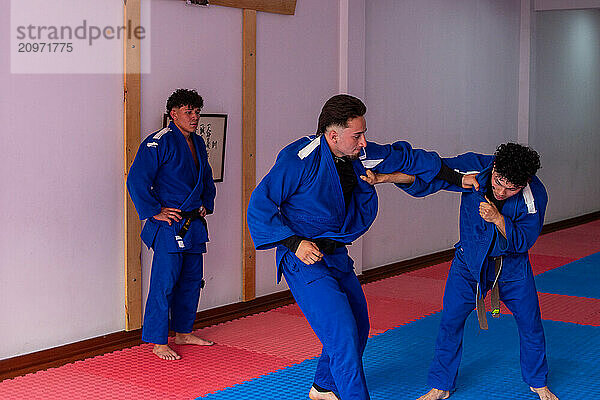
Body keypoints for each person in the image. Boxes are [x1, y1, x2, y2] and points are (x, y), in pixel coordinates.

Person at [247, 94, 472, 400]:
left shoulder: (360, 154)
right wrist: (293, 242)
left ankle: (323, 387)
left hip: (336, 254)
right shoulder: (298, 159)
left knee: (359, 326)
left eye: (364, 133)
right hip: (303, 258)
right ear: (333, 135)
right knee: (342, 336)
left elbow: (409, 159)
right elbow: (260, 204)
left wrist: (456, 178)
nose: (364, 141)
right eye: (357, 135)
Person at [361, 143, 558, 400]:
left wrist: (498, 218)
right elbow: (433, 172)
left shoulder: (535, 194)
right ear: (495, 167)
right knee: (450, 321)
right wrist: (384, 178)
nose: (501, 191)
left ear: (525, 182)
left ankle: (538, 381)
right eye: (498, 182)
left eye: (511, 189)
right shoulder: (479, 168)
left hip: (512, 268)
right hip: (468, 262)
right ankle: (441, 385)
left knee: (530, 324)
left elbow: (522, 241)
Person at [127, 89, 216, 360]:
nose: (194, 117)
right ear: (173, 114)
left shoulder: (198, 143)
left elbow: (206, 178)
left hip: (193, 223)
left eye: (197, 112)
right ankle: (157, 340)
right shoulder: (158, 141)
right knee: (164, 283)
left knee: (191, 280)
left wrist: (204, 202)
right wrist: (155, 211)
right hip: (170, 226)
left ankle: (182, 331)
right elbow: (136, 179)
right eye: (188, 112)